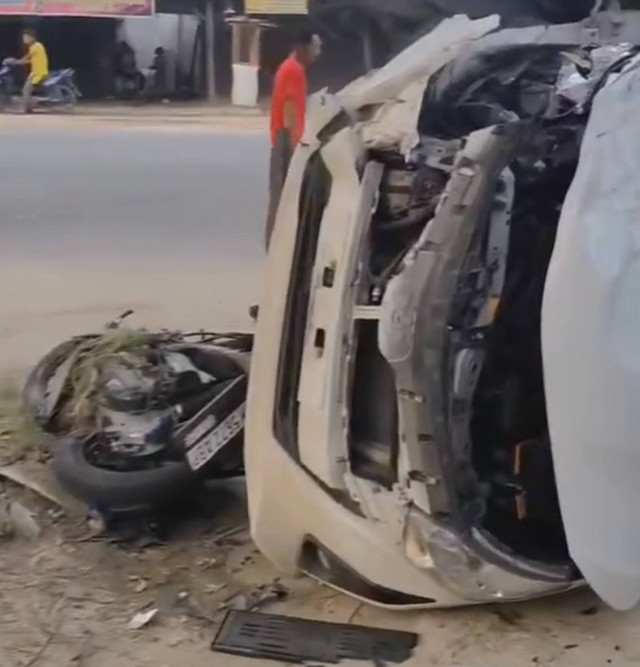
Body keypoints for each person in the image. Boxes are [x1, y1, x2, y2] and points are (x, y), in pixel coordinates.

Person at [265, 29, 322, 249]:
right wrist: (293, 145)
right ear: (303, 48)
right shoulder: (293, 69)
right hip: (285, 138)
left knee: (282, 194)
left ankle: (277, 244)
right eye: (315, 47)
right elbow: (289, 107)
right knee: (283, 195)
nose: (318, 53)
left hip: (284, 136)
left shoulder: (290, 68)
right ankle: (277, 246)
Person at [6, 29, 49, 113]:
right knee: (27, 89)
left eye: (26, 38)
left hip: (38, 72)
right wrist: (17, 62)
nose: (24, 40)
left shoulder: (36, 47)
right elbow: (28, 60)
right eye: (23, 38)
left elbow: (26, 58)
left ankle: (24, 109)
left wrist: (14, 62)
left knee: (26, 89)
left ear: (32, 38)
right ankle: (29, 108)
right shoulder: (35, 46)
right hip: (36, 72)